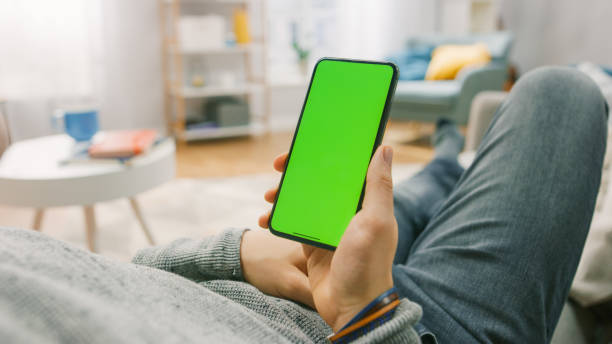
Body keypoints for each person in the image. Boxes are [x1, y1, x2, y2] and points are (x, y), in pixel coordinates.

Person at [0, 67, 608, 343]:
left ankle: (448, 158)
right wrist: (365, 315)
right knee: (560, 92)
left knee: (395, 209)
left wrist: (233, 253)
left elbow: (113, 279)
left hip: (294, 274)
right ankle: (450, 157)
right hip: (391, 329)